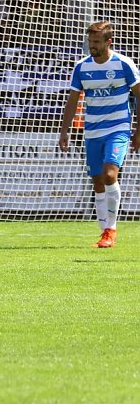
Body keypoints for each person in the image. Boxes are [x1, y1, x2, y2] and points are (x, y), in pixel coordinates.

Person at [59, 21, 140, 248]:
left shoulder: (124, 64)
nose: (91, 46)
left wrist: (138, 131)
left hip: (118, 128)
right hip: (92, 131)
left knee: (109, 174)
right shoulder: (82, 67)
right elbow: (72, 101)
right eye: (89, 41)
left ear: (108, 42)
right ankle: (104, 229)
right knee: (97, 182)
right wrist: (64, 131)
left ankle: (111, 230)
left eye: (96, 42)